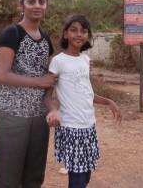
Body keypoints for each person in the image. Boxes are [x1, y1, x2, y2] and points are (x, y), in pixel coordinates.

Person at [0, 0, 58, 188]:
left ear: (46, 6)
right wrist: (38, 81)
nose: (37, 6)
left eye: (41, 1)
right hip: (11, 115)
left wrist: (80, 65)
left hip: (38, 118)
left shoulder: (46, 40)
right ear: (22, 5)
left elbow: (50, 79)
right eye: (31, 1)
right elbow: (1, 75)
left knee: (34, 177)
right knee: (9, 178)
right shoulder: (12, 34)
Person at [44, 14, 122, 188]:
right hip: (71, 127)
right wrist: (52, 111)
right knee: (78, 179)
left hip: (89, 126)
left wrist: (109, 101)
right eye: (74, 30)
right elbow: (47, 95)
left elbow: (87, 93)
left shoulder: (86, 60)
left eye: (83, 31)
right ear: (65, 34)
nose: (79, 34)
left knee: (85, 175)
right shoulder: (58, 61)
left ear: (88, 36)